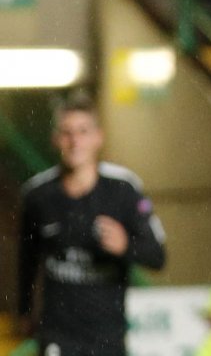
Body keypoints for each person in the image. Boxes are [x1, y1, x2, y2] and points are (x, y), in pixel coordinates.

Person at [18, 92, 166, 356]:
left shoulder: (123, 189)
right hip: (57, 335)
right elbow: (26, 262)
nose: (75, 141)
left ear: (99, 137)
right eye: (67, 133)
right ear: (55, 139)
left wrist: (125, 245)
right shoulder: (37, 195)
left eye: (83, 131)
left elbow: (158, 256)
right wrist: (24, 311)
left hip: (107, 337)